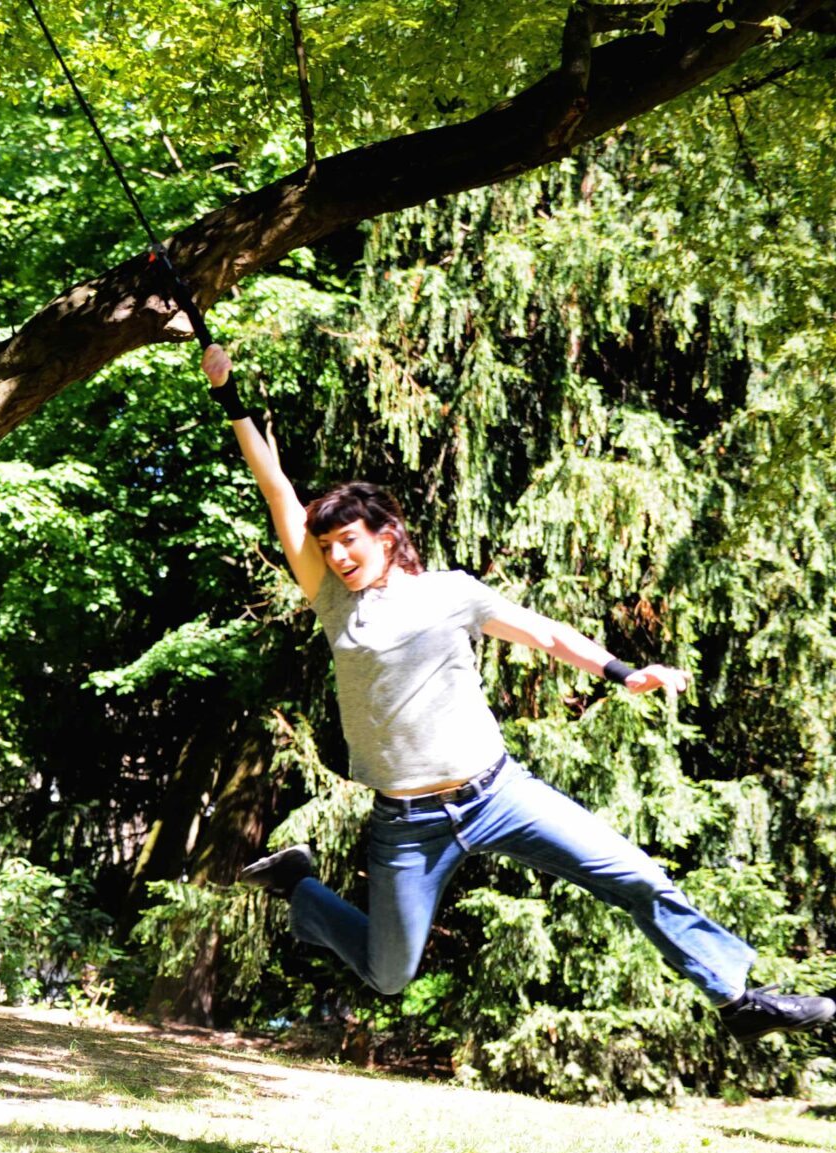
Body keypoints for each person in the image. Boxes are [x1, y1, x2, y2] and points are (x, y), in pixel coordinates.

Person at [201, 343, 832, 1040]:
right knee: (389, 974)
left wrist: (627, 673)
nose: (338, 556)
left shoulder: (453, 594)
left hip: (499, 794)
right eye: (328, 548)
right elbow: (278, 492)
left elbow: (547, 634)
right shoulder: (330, 600)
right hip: (406, 823)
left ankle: (737, 997)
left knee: (634, 873)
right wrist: (229, 397)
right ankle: (301, 887)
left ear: (386, 534)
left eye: (349, 540)